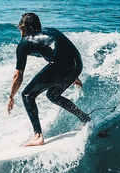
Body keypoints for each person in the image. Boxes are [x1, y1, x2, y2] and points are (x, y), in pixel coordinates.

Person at [7, 13, 91, 147]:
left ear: (23, 28)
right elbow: (61, 50)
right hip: (77, 64)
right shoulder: (51, 32)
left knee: (27, 95)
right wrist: (74, 74)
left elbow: (18, 75)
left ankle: (38, 136)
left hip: (62, 64)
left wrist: (11, 96)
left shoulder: (24, 42)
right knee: (53, 95)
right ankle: (85, 118)